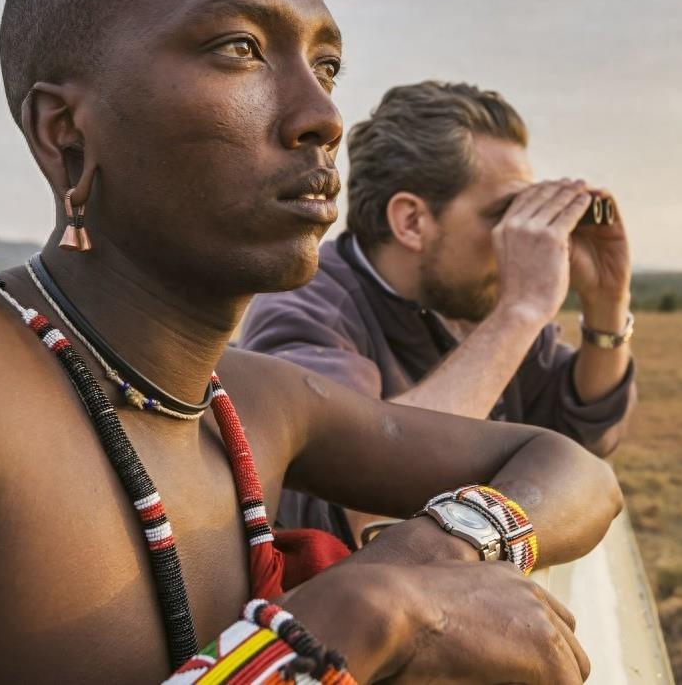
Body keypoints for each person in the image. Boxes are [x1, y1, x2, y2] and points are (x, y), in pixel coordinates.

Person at [0, 0, 621, 685]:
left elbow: (572, 470)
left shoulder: (255, 403)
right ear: (64, 132)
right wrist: (352, 618)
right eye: (238, 47)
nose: (322, 116)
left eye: (327, 65)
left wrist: (438, 546)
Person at [242, 81, 637, 546]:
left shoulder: (471, 300)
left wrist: (608, 304)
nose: (519, 235)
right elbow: (342, 501)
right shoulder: (307, 304)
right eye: (505, 213)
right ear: (411, 221)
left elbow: (584, 437)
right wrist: (520, 311)